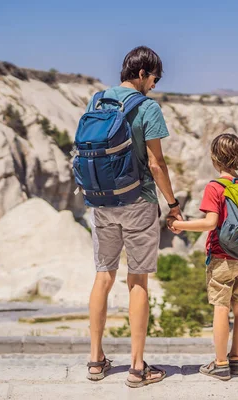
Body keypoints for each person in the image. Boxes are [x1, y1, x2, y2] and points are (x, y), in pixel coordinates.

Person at [85, 46, 182, 388]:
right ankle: (137, 368)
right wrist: (173, 203)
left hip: (100, 202)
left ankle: (96, 360)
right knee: (137, 281)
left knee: (103, 277)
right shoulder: (148, 108)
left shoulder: (96, 102)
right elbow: (156, 164)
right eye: (155, 77)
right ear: (142, 74)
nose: (155, 84)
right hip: (138, 201)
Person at [167, 133, 238, 381]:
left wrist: (180, 226)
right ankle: (236, 360)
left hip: (222, 258)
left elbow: (210, 222)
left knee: (220, 307)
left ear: (214, 159)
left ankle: (221, 363)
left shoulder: (215, 187)